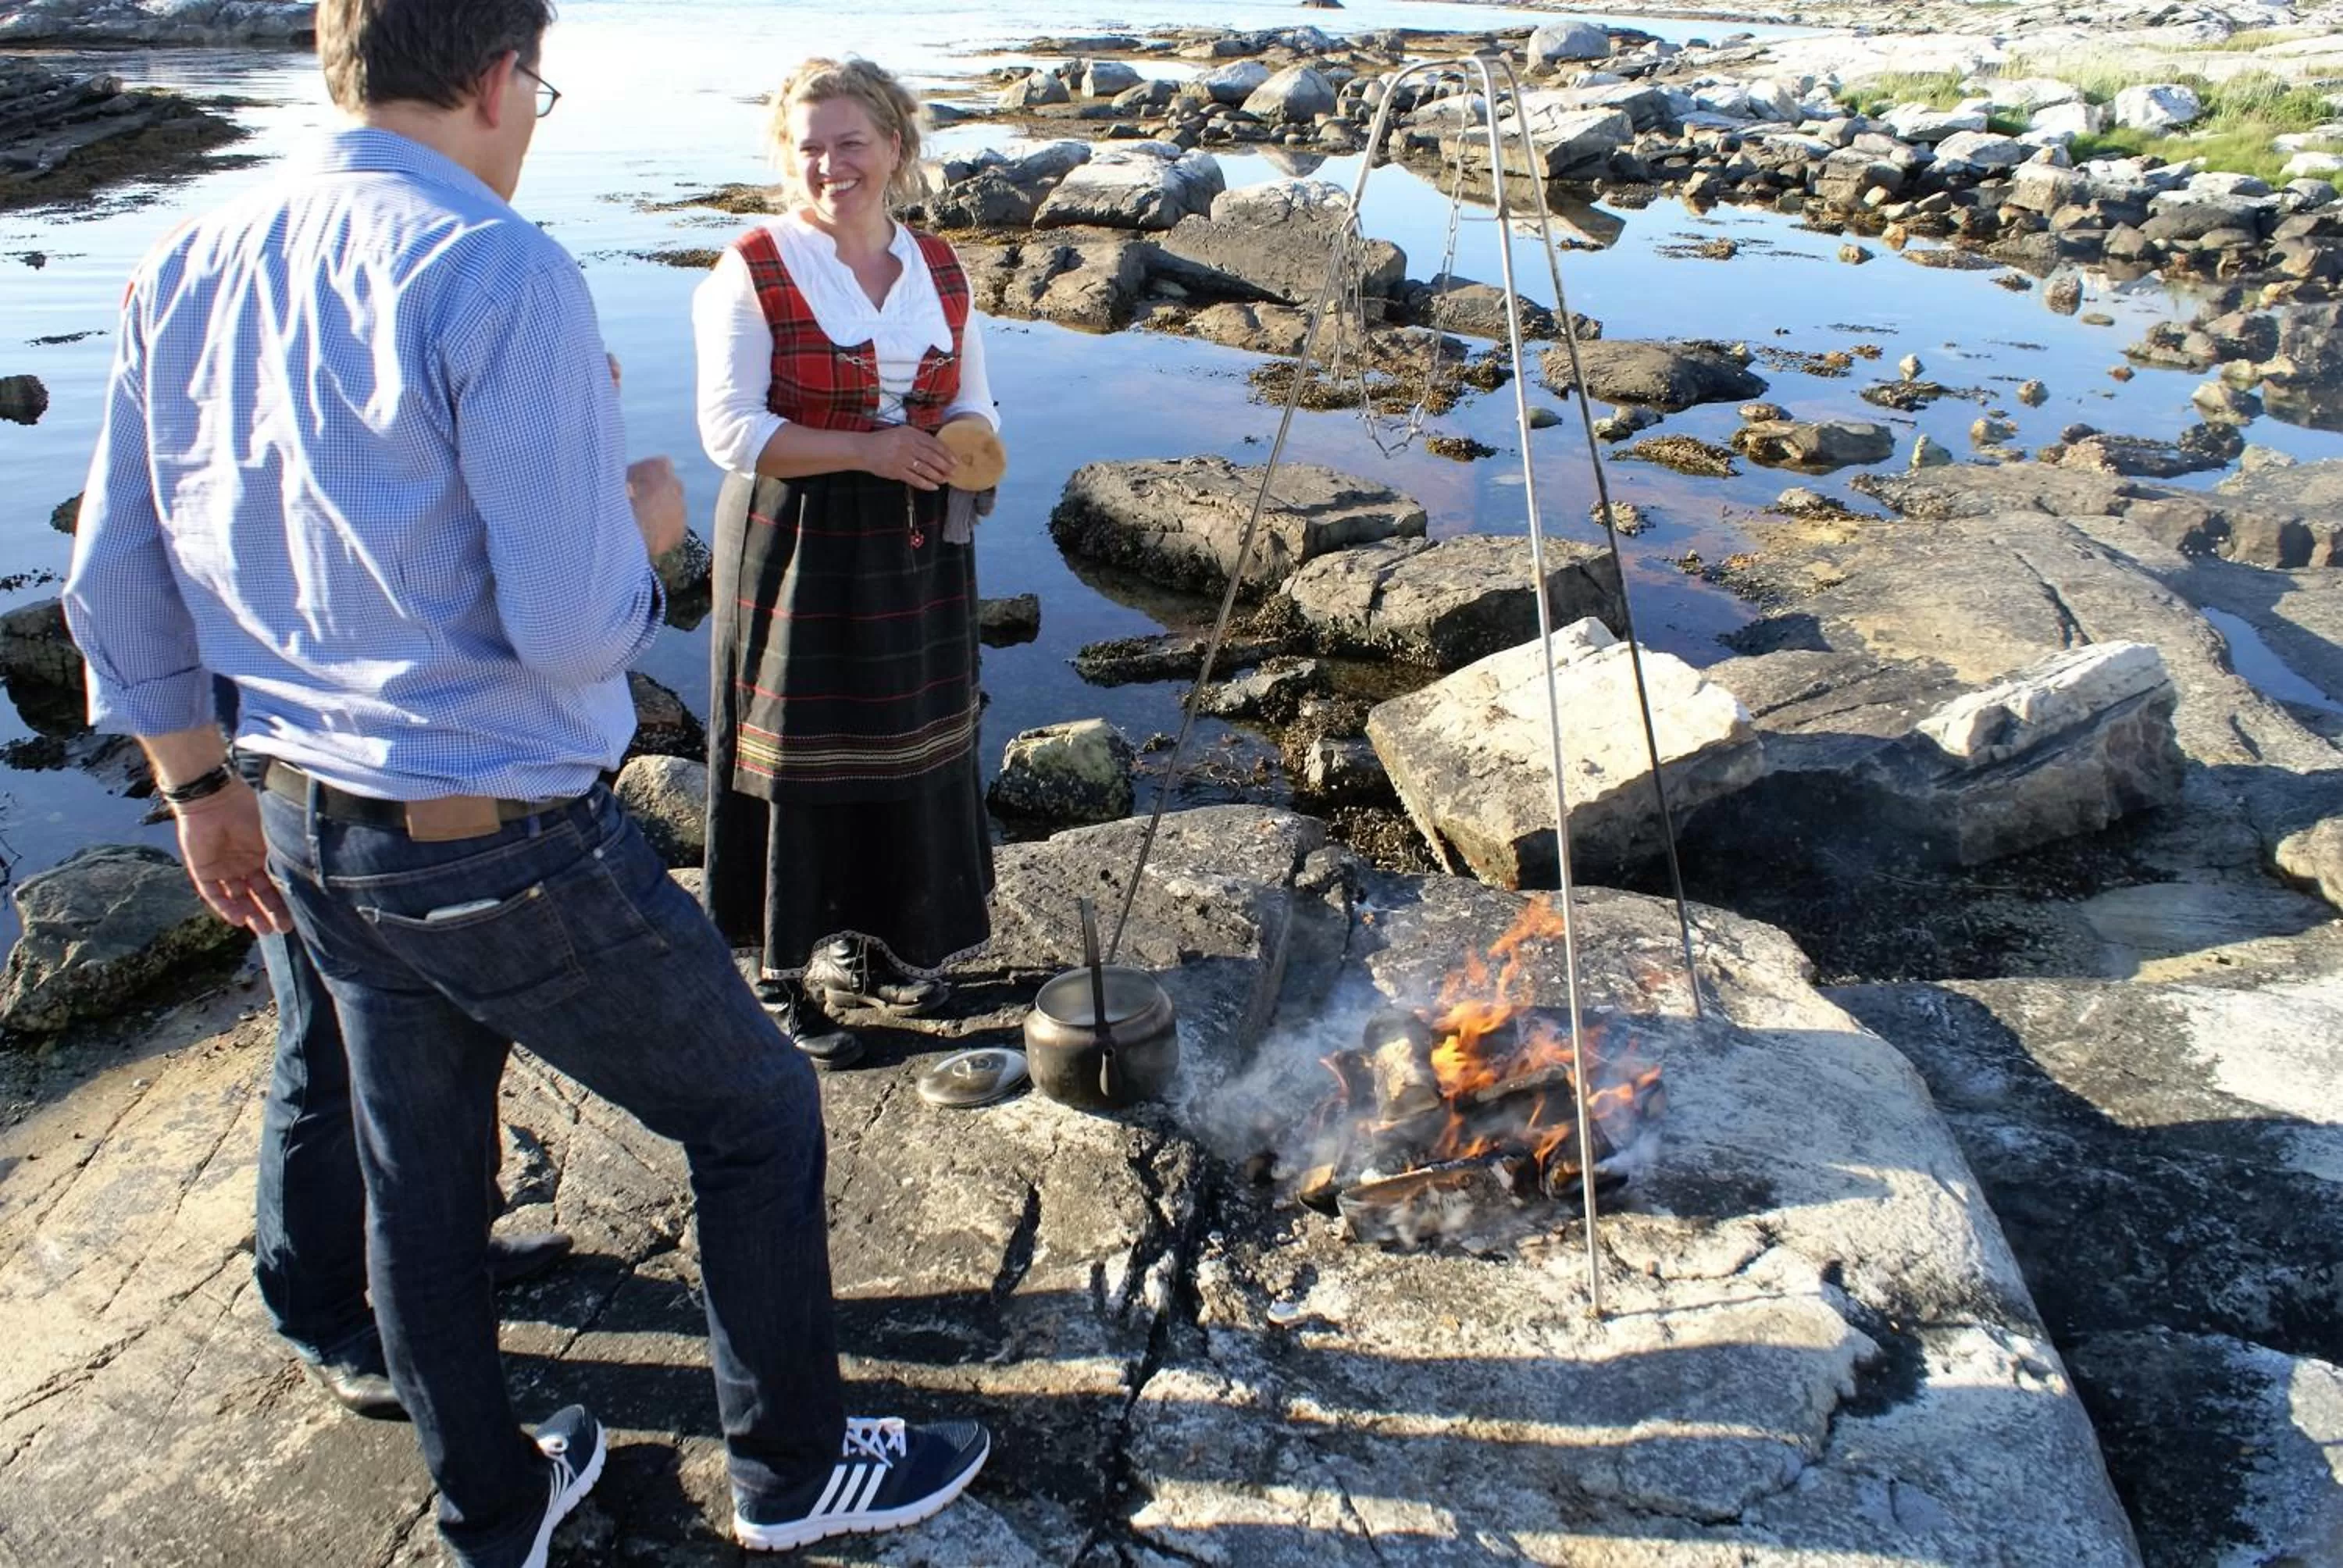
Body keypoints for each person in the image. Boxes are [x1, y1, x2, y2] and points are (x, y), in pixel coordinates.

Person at [61, 3, 988, 1564]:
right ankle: (791, 1467)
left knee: (413, 1173)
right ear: (501, 75)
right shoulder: (501, 268)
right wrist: (645, 523)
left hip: (302, 813)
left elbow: (121, 570)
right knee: (759, 1112)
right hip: (499, 838)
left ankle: (491, 1502)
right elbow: (568, 630)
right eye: (540, 87)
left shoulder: (188, 261)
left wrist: (193, 785)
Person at [694, 57, 998, 1070]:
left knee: (909, 743)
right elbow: (731, 431)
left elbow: (973, 397)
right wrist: (869, 449)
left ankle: (881, 948)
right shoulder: (756, 265)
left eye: (851, 143)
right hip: (799, 547)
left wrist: (970, 442)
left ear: (896, 148)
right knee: (798, 755)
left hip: (915, 548)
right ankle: (786, 979)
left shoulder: (940, 268)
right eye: (810, 147)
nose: (831, 166)